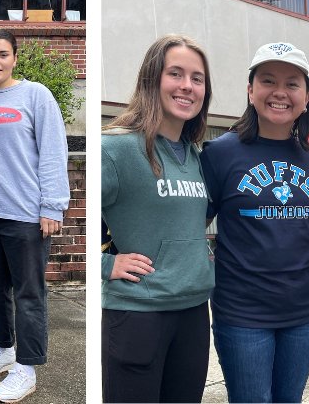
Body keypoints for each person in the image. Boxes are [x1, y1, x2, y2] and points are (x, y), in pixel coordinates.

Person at [200, 42, 309, 403]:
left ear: (307, 96)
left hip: (302, 312)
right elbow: (192, 223)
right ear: (250, 91)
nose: (280, 92)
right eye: (268, 81)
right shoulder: (221, 152)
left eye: (292, 83)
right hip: (242, 313)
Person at [101, 34, 214, 404]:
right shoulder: (116, 148)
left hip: (195, 312)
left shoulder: (197, 157)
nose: (187, 86)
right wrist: (105, 264)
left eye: (197, 79)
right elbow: (64, 212)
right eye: (176, 74)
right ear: (153, 79)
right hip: (139, 316)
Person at [0, 28, 69, 404]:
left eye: (2, 54)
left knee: (28, 293)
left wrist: (52, 205)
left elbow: (54, 151)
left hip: (24, 214)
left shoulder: (35, 95)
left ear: (15, 58)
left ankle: (27, 367)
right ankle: (3, 347)